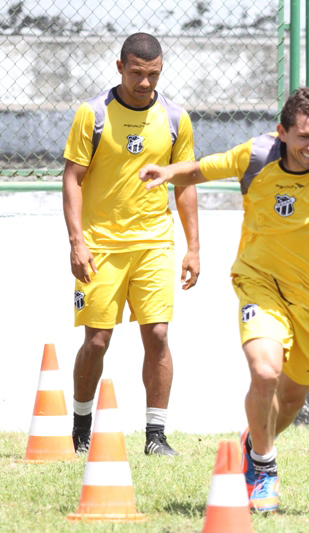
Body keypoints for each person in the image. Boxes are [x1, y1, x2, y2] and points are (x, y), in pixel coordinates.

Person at [139, 87, 309, 512]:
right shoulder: (256, 156)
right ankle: (265, 466)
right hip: (261, 283)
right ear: (282, 133)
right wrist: (166, 172)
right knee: (265, 369)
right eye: (304, 137)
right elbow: (201, 170)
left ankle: (255, 442)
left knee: (291, 399)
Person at [63, 33, 199, 456]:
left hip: (155, 241)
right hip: (101, 245)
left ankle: (155, 436)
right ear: (119, 67)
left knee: (157, 334)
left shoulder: (176, 118)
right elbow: (72, 178)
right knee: (97, 340)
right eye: (137, 73)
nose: (145, 83)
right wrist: (76, 242)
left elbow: (185, 184)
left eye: (153, 74)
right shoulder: (93, 115)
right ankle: (82, 428)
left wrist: (194, 246)